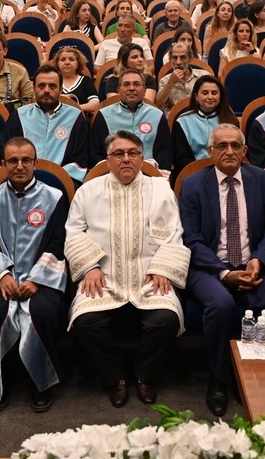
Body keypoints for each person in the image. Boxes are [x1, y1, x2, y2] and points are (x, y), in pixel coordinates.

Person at [65, 130, 190, 407]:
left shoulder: (160, 190)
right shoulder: (88, 191)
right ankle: (115, 378)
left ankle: (146, 375)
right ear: (107, 160)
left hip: (149, 277)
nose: (126, 159)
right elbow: (73, 232)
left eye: (132, 153)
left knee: (166, 319)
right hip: (104, 278)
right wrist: (89, 267)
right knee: (86, 321)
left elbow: (175, 233)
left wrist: (163, 268)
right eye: (118, 154)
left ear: (142, 158)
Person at [179, 124, 265, 416]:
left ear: (245, 151)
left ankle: (250, 367)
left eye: (235, 146)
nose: (229, 151)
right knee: (221, 304)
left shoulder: (261, 180)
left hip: (251, 264)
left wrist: (259, 259)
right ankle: (219, 378)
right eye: (222, 146)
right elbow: (190, 238)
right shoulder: (193, 185)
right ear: (210, 152)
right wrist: (223, 273)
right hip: (207, 268)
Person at [0, 137, 68, 413]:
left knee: (43, 312)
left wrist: (36, 279)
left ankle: (42, 382)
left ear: (35, 163)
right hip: (0, 276)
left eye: (26, 160)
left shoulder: (55, 197)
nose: (20, 166)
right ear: (4, 164)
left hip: (41, 275)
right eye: (13, 160)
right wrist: (2, 275)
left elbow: (58, 242)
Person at [0, 65, 89, 182]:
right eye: (41, 86)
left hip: (62, 181)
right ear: (34, 88)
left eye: (52, 86)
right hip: (22, 180)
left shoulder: (76, 117)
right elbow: (4, 151)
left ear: (60, 89)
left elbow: (80, 158)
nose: (46, 90)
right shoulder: (19, 116)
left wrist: (54, 178)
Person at [91, 67, 171, 170]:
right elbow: (95, 154)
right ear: (119, 90)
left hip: (149, 175)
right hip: (112, 174)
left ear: (144, 90)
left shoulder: (157, 116)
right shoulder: (103, 115)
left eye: (136, 84)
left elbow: (165, 153)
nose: (131, 88)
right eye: (126, 84)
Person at [171, 75, 238, 181]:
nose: (210, 97)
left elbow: (235, 151)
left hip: (225, 171)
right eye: (205, 93)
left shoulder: (230, 120)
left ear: (220, 97)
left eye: (214, 93)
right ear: (196, 96)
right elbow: (181, 157)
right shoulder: (183, 121)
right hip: (192, 173)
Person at [155, 41, 207, 112]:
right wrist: (171, 82)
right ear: (170, 59)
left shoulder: (204, 76)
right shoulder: (165, 81)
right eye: (175, 58)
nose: (178, 62)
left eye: (183, 57)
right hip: (175, 119)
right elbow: (158, 106)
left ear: (190, 59)